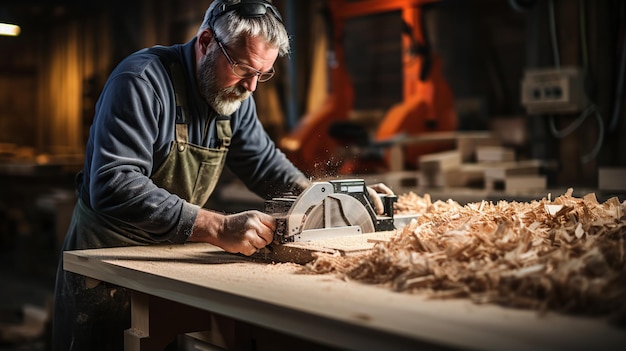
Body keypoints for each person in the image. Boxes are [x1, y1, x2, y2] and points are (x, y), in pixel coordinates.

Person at [52, 0, 393, 350]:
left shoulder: (237, 97)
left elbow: (265, 166)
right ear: (205, 43)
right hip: (107, 258)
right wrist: (218, 227)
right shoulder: (141, 81)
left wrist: (329, 201)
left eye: (263, 74)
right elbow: (114, 183)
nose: (251, 87)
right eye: (244, 68)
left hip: (168, 257)